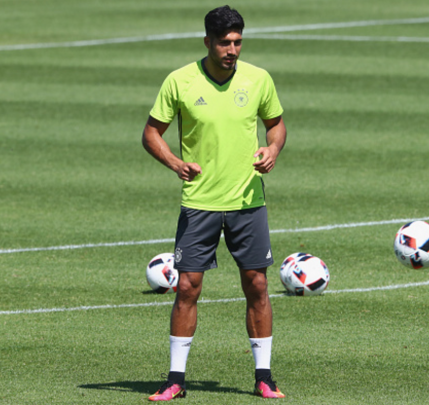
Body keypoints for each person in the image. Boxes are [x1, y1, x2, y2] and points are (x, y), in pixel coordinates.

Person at [142, 5, 287, 401]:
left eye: (238, 42)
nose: (232, 50)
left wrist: (273, 148)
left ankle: (264, 377)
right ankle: (175, 379)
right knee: (187, 287)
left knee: (257, 284)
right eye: (224, 42)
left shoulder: (259, 79)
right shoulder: (181, 81)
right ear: (207, 41)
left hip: (247, 201)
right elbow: (152, 132)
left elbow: (276, 125)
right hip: (200, 202)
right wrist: (174, 162)